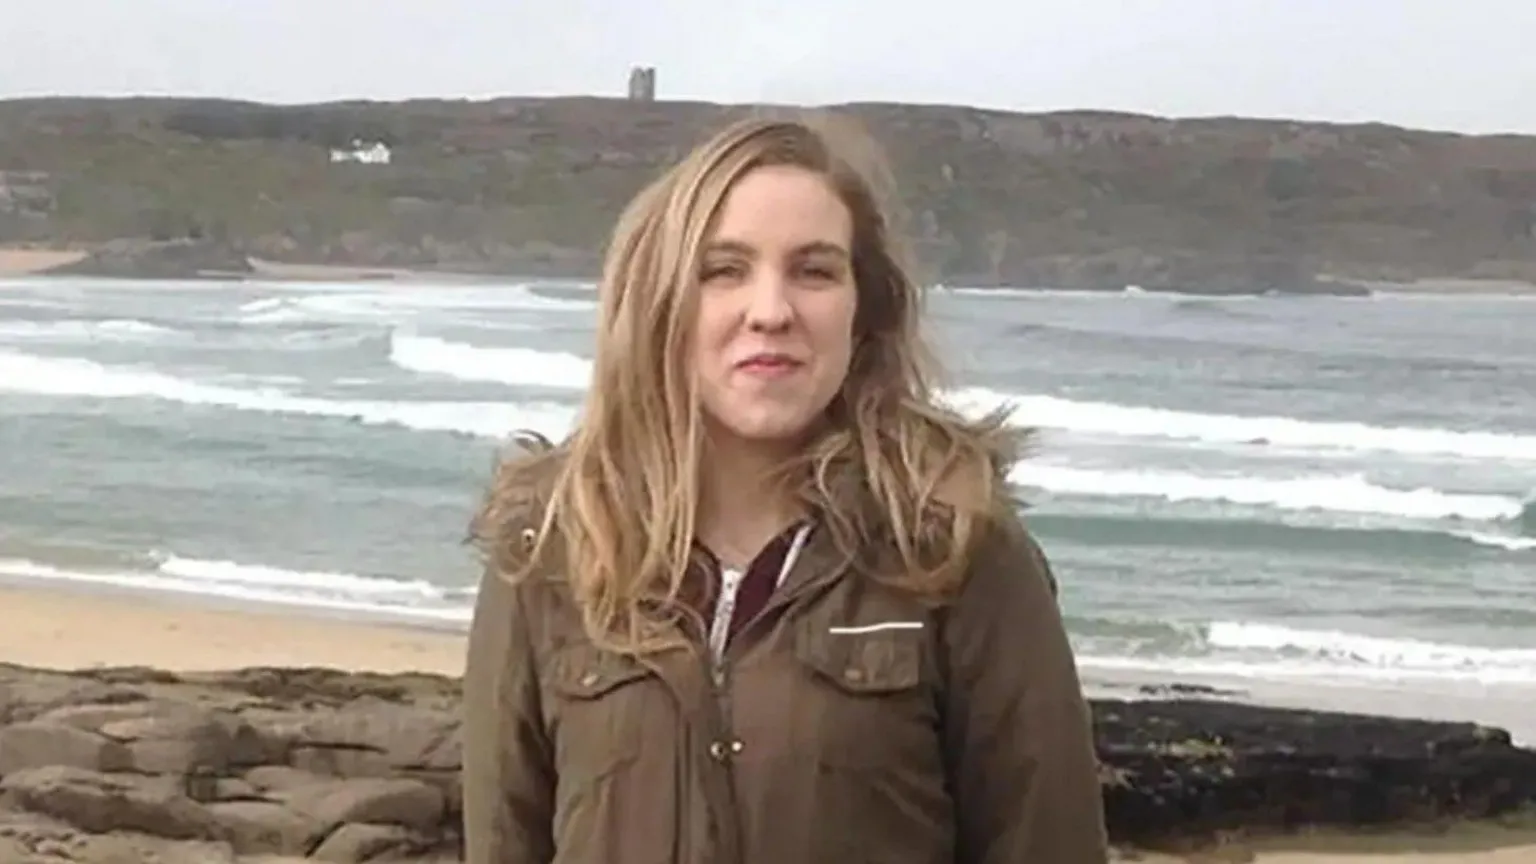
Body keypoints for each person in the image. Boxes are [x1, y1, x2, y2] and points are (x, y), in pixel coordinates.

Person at [462, 114, 1108, 863]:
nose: (770, 311)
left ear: (864, 311)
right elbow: (503, 841)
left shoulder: (957, 552)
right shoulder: (550, 555)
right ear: (661, 304)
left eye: (814, 270)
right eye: (724, 269)